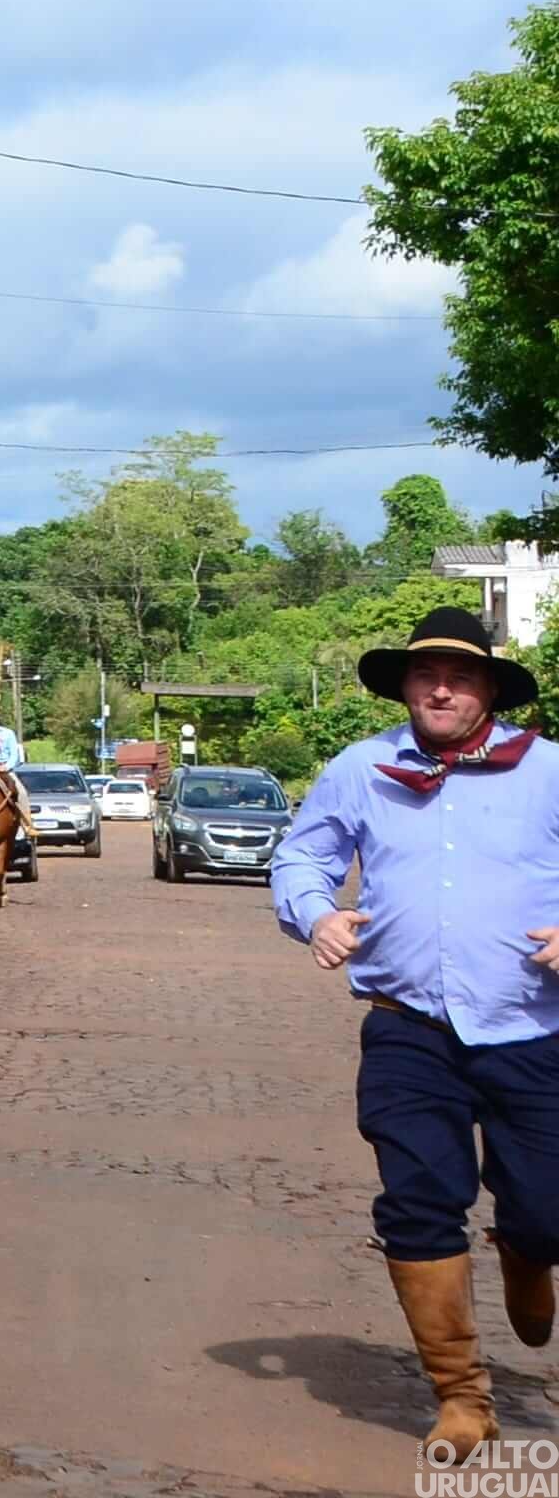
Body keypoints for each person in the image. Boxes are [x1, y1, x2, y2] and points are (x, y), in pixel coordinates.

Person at [271, 607, 559, 1466]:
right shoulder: (363, 769)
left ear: (489, 692)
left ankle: (528, 1251)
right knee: (419, 1201)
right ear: (405, 685)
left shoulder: (546, 771)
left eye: (462, 676)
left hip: (531, 1030)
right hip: (407, 1031)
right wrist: (316, 914)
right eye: (427, 674)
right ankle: (463, 1396)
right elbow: (301, 858)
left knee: (547, 1210)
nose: (442, 688)